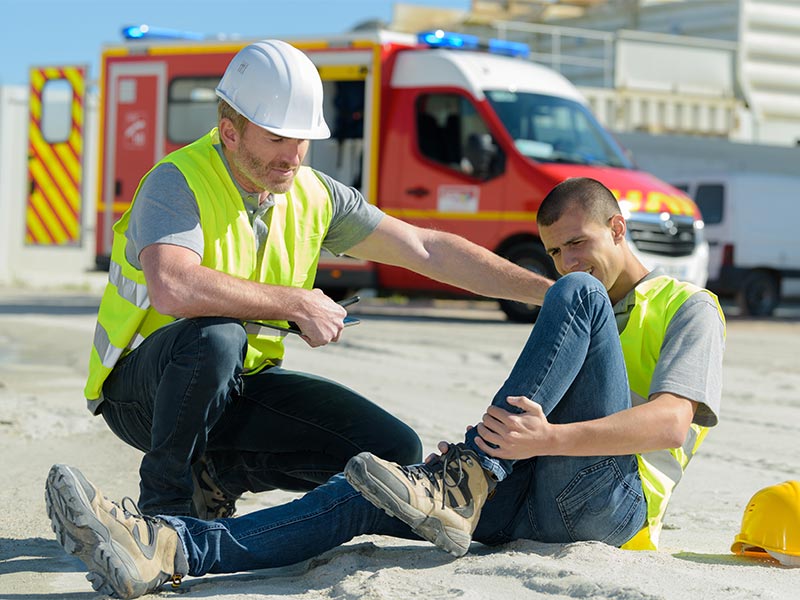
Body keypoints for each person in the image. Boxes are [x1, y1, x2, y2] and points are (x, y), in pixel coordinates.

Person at [46, 177, 725, 599]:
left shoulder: (687, 306)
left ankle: (468, 476)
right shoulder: (582, 306)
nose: (569, 262)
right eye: (554, 253)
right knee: (369, 488)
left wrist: (542, 439)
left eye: (579, 243)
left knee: (573, 298)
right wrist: (511, 448)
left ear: (619, 227)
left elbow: (668, 425)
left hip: (612, 509)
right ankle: (171, 548)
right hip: (532, 500)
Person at [84, 39, 551, 521]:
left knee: (393, 450)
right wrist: (295, 303)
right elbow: (173, 287)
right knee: (216, 337)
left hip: (238, 384)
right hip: (143, 394)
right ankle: (164, 510)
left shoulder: (314, 194)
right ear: (229, 132)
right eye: (276, 139)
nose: (293, 156)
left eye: (302, 139)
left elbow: (426, 249)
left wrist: (546, 291)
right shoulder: (177, 179)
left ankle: (217, 476)